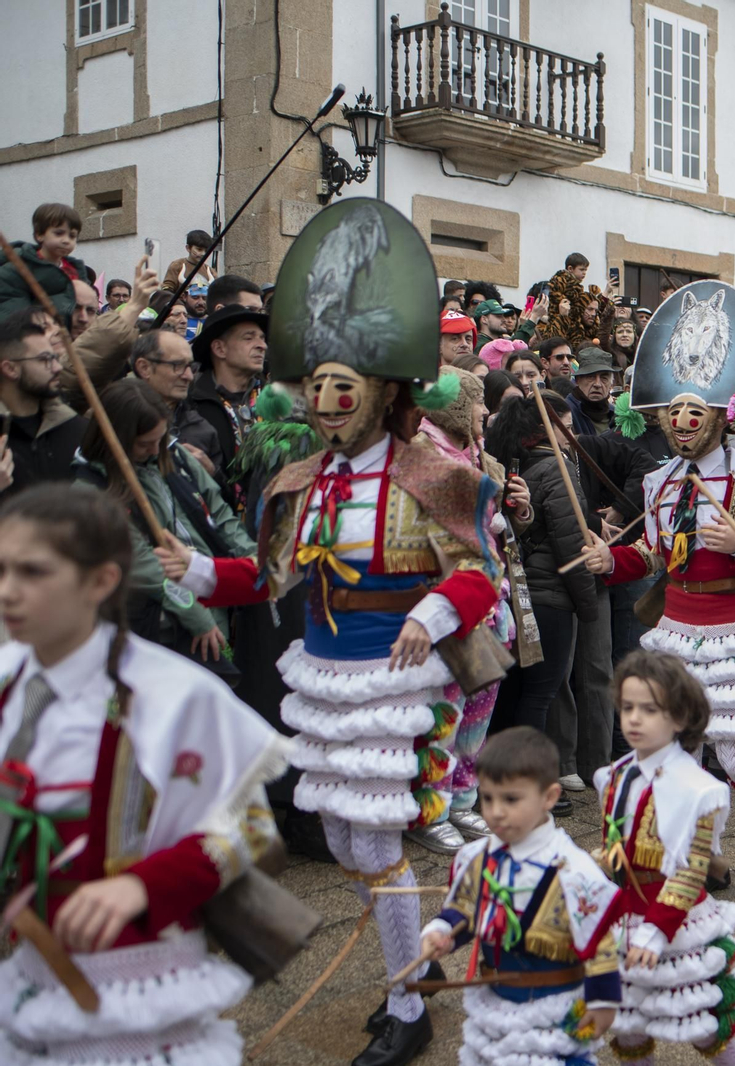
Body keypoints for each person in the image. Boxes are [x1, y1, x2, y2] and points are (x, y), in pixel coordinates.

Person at [156, 202, 505, 1066]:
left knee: (377, 840)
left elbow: (475, 574)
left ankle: (409, 1003)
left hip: (395, 677)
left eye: (340, 389)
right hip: (324, 673)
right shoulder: (301, 480)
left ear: (384, 391)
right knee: (350, 842)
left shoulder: (436, 473)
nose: (324, 403)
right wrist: (192, 571)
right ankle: (424, 950)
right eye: (314, 389)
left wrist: (430, 618)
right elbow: (270, 577)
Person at [0, 485, 286, 1064]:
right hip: (25, 964)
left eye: (32, 572)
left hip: (131, 975)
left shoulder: (173, 695)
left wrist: (142, 885)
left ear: (101, 581)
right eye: (0, 569)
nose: (7, 591)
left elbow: (253, 828)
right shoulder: (8, 677)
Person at [583, 306, 735, 899]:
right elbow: (655, 556)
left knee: (734, 756)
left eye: (694, 412)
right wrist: (613, 562)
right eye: (673, 413)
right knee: (682, 753)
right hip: (675, 627)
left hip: (733, 625)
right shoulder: (660, 484)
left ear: (721, 416)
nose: (682, 422)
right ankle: (704, 858)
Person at [418, 727, 622, 1066]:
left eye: (511, 799)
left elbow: (601, 942)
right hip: (496, 1003)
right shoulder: (478, 857)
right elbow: (465, 909)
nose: (496, 811)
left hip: (554, 1006)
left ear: (549, 797)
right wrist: (442, 933)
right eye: (488, 798)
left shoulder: (575, 871)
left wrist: (603, 1000)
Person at [592, 652, 735, 1065]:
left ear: (680, 718)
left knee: (702, 1023)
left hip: (675, 922)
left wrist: (657, 931)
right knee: (628, 1025)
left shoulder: (700, 789)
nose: (634, 719)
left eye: (649, 709)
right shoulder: (613, 776)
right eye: (627, 708)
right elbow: (615, 848)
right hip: (624, 916)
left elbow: (691, 871)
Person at [73, 377, 252, 678]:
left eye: (160, 438)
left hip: (210, 597)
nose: (156, 449)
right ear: (116, 439)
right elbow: (146, 568)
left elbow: (220, 515)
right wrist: (197, 615)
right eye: (145, 444)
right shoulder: (91, 491)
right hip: (155, 626)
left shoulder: (175, 457)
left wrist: (251, 560)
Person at [415, 366, 525, 848]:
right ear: (455, 405)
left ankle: (461, 796)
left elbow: (501, 522)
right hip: (447, 599)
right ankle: (427, 808)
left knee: (479, 702)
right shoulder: (420, 454)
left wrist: (518, 510)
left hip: (491, 595)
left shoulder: (482, 455)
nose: (486, 411)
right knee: (443, 708)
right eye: (478, 402)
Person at [486, 393, 593, 800]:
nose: (571, 432)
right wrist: (586, 602)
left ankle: (498, 780)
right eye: (564, 423)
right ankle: (523, 786)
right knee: (538, 693)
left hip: (518, 592)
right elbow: (571, 540)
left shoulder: (513, 463)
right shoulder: (555, 467)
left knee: (513, 690)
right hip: (548, 595)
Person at [188, 302, 269, 511]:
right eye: (249, 338)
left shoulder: (275, 399)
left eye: (262, 338)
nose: (262, 345)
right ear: (219, 348)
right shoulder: (192, 406)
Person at [0, 310, 86, 498]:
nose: (57, 367)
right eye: (45, 360)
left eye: (54, 358)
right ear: (10, 369)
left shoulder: (74, 428)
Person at [0, 203, 90, 321]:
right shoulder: (18, 268)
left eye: (72, 236)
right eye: (59, 233)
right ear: (39, 235)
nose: (66, 240)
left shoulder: (76, 271)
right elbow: (13, 314)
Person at [567, 346, 615, 435]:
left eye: (604, 378)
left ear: (611, 384)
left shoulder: (616, 414)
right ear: (577, 380)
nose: (597, 384)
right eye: (590, 377)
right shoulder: (567, 411)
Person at [160, 228, 215, 294]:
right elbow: (167, 290)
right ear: (188, 248)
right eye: (199, 249)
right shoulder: (177, 265)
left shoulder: (210, 271)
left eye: (206, 250)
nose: (203, 253)